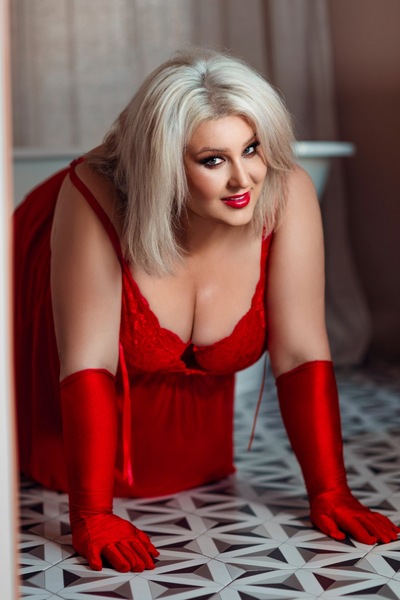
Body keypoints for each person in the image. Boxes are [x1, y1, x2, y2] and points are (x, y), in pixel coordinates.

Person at [13, 48, 399, 574]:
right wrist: (91, 514)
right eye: (213, 160)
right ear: (165, 166)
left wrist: (330, 491)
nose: (244, 180)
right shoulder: (91, 195)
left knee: (190, 464)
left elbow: (301, 350)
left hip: (188, 439)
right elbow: (88, 361)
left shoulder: (285, 188)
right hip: (54, 267)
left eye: (251, 149)